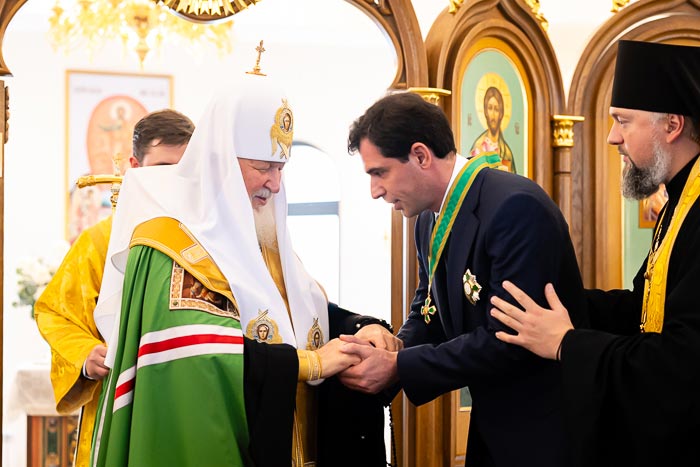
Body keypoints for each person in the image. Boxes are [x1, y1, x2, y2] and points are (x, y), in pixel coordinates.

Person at [90, 68, 395, 467]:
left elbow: (294, 314)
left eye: (281, 168)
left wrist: (360, 329)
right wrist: (312, 363)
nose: (276, 184)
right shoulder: (169, 240)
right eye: (263, 167)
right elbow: (195, 351)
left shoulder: (259, 234)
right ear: (220, 162)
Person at [340, 91, 588, 466]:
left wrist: (398, 367)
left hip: (544, 434)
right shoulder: (427, 219)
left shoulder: (514, 207)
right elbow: (429, 310)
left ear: (420, 156)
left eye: (380, 172)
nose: (375, 191)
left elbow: (510, 339)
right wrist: (393, 347)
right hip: (492, 428)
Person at [489, 40, 700, 466]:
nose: (612, 137)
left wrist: (567, 344)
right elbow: (645, 311)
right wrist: (558, 299)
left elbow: (682, 364)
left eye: (623, 120)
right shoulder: (679, 202)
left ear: (672, 125)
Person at [33, 109, 195, 467]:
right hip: (119, 396)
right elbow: (54, 312)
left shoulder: (208, 237)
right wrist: (85, 354)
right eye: (162, 168)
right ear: (134, 168)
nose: (173, 181)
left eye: (184, 169)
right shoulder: (100, 240)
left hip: (188, 395)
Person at [470, 86, 516, 173]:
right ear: (486, 112)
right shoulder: (478, 146)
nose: (493, 114)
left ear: (501, 113)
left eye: (497, 109)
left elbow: (512, 179)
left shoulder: (506, 152)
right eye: (490, 108)